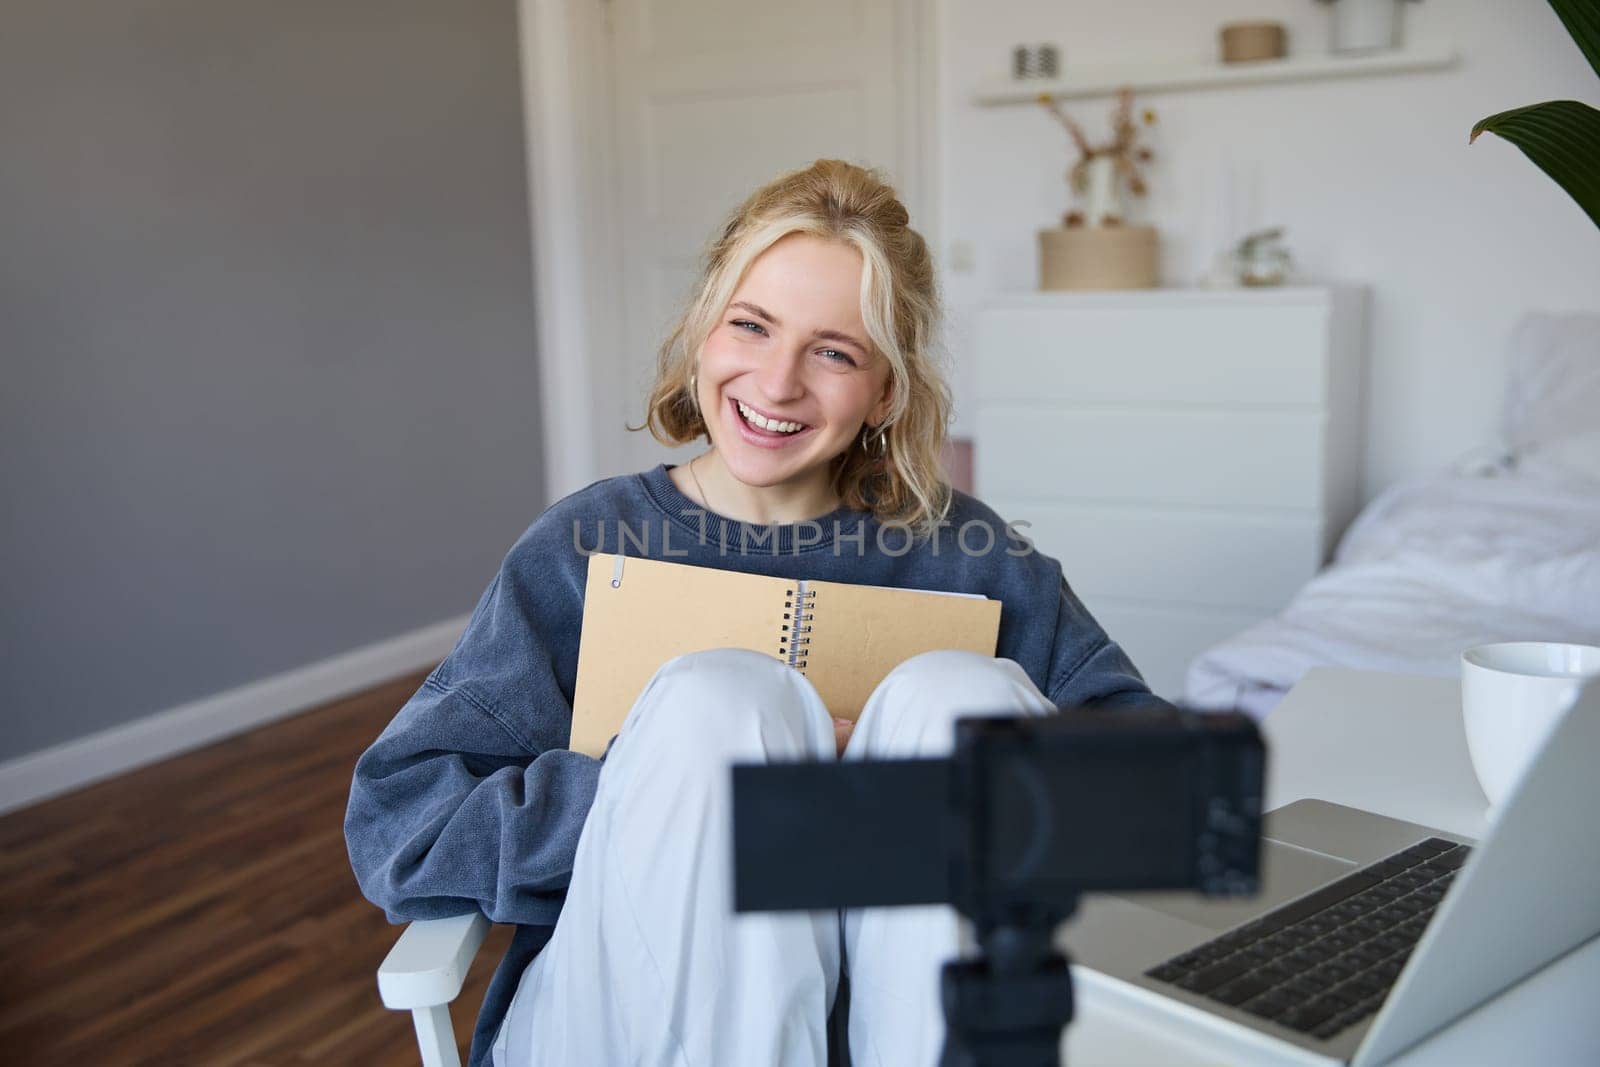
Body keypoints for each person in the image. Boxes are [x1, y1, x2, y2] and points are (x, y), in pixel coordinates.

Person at [344, 159, 1159, 1067]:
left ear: (885, 391)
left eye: (835, 351)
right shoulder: (587, 545)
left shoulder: (961, 551)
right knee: (716, 707)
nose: (776, 384)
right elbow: (401, 826)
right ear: (704, 332)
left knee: (958, 705)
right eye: (752, 326)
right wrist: (650, 794)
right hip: (626, 1025)